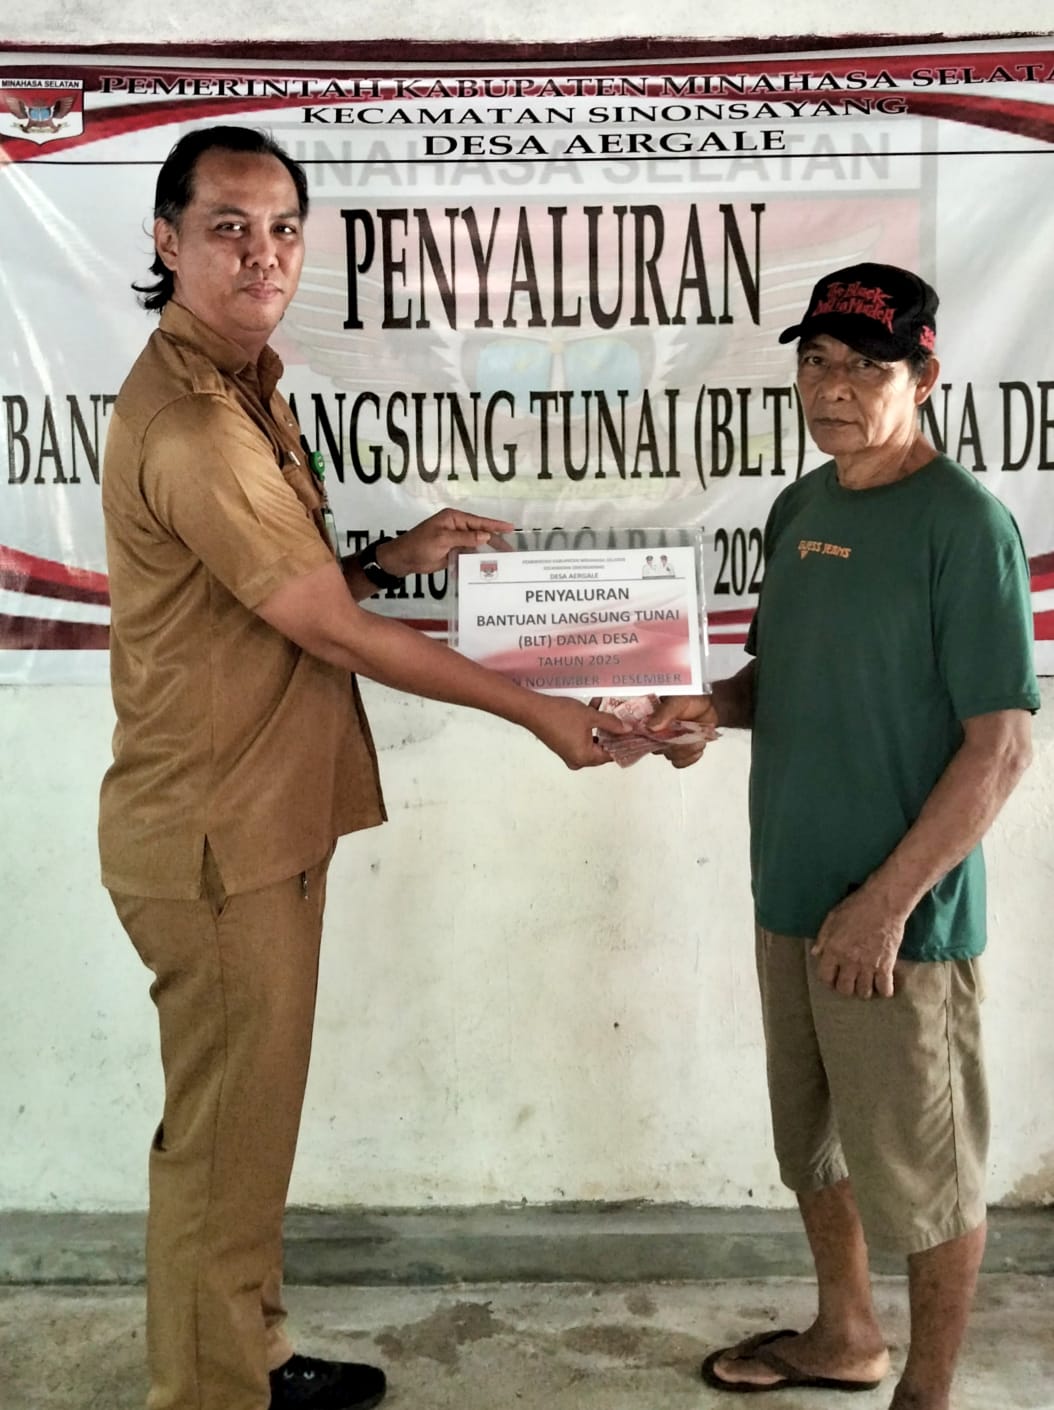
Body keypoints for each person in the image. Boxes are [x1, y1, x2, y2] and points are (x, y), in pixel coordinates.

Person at [99, 125, 628, 1410]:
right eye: (228, 227)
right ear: (166, 241)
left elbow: (271, 592)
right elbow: (325, 630)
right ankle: (211, 1392)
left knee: (247, 1134)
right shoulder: (197, 422)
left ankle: (251, 1354)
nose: (262, 253)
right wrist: (538, 713)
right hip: (220, 839)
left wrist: (390, 558)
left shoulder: (244, 383)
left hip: (258, 822)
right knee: (221, 1148)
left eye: (283, 228)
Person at [651, 263, 1038, 1410]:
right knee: (812, 1143)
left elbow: (999, 748)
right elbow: (784, 677)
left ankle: (926, 1392)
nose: (831, 388)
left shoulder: (963, 526)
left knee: (926, 1174)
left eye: (865, 367)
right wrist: (704, 711)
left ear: (924, 377)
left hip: (898, 925)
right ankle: (844, 1335)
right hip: (790, 893)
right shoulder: (801, 508)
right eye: (815, 362)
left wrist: (885, 905)